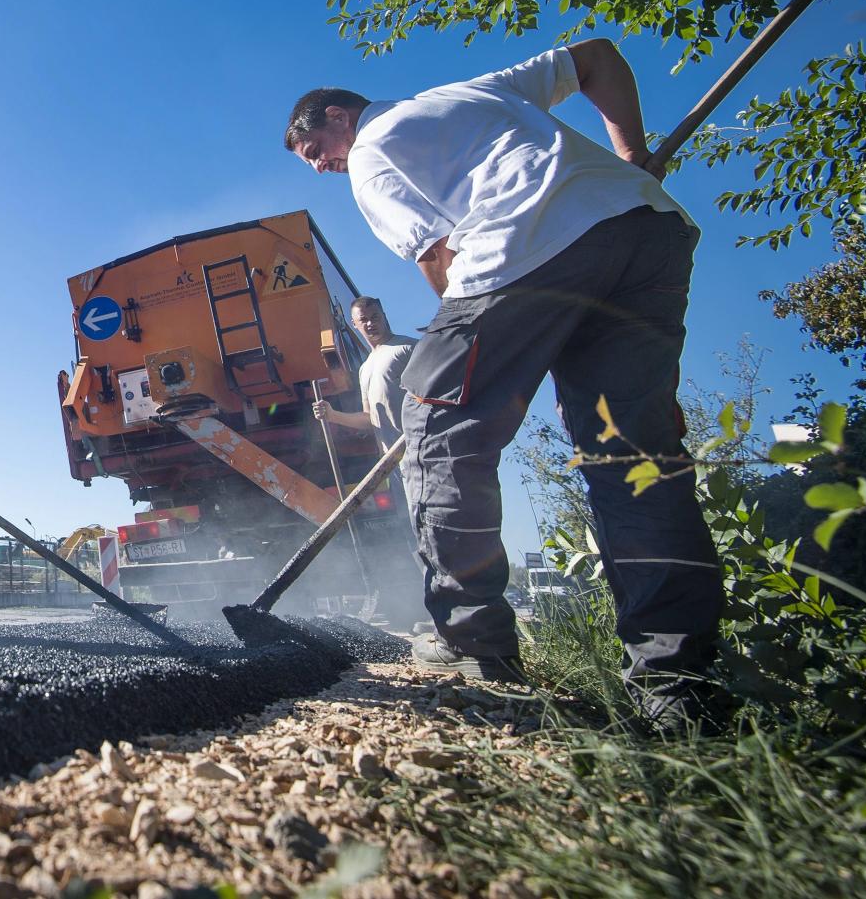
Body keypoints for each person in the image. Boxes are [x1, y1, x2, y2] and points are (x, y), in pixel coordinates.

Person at [284, 40, 722, 729]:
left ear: (338, 117)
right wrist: (631, 156)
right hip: (643, 231)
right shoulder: (478, 92)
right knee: (632, 457)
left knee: (432, 419)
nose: (325, 167)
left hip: (524, 246)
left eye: (318, 153)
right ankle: (679, 690)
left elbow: (439, 257)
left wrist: (473, 346)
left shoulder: (371, 152)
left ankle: (475, 646)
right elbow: (598, 58)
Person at [313, 295, 417, 458]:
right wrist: (332, 415)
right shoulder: (365, 369)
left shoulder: (408, 348)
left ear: (384, 316)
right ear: (354, 324)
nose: (370, 323)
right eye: (363, 319)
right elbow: (369, 419)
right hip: (392, 462)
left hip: (423, 451)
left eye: (375, 317)